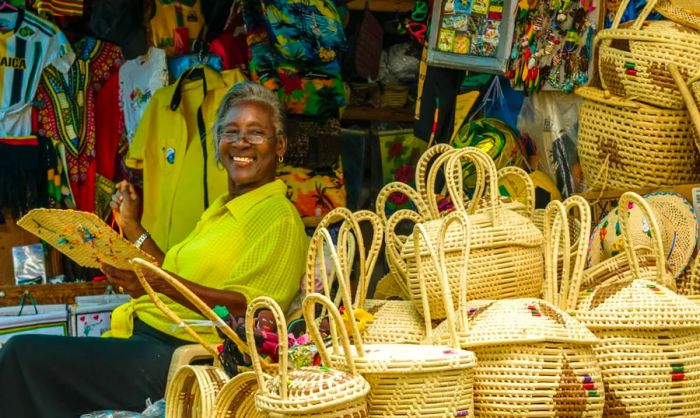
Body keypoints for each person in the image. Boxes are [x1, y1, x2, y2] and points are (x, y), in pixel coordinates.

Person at [0, 82, 308, 418]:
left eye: (255, 132)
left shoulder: (279, 217)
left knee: (21, 355)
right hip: (146, 339)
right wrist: (132, 227)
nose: (241, 142)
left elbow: (252, 311)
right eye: (230, 131)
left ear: (279, 145)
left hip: (184, 359)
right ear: (218, 143)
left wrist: (156, 282)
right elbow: (172, 273)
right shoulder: (222, 209)